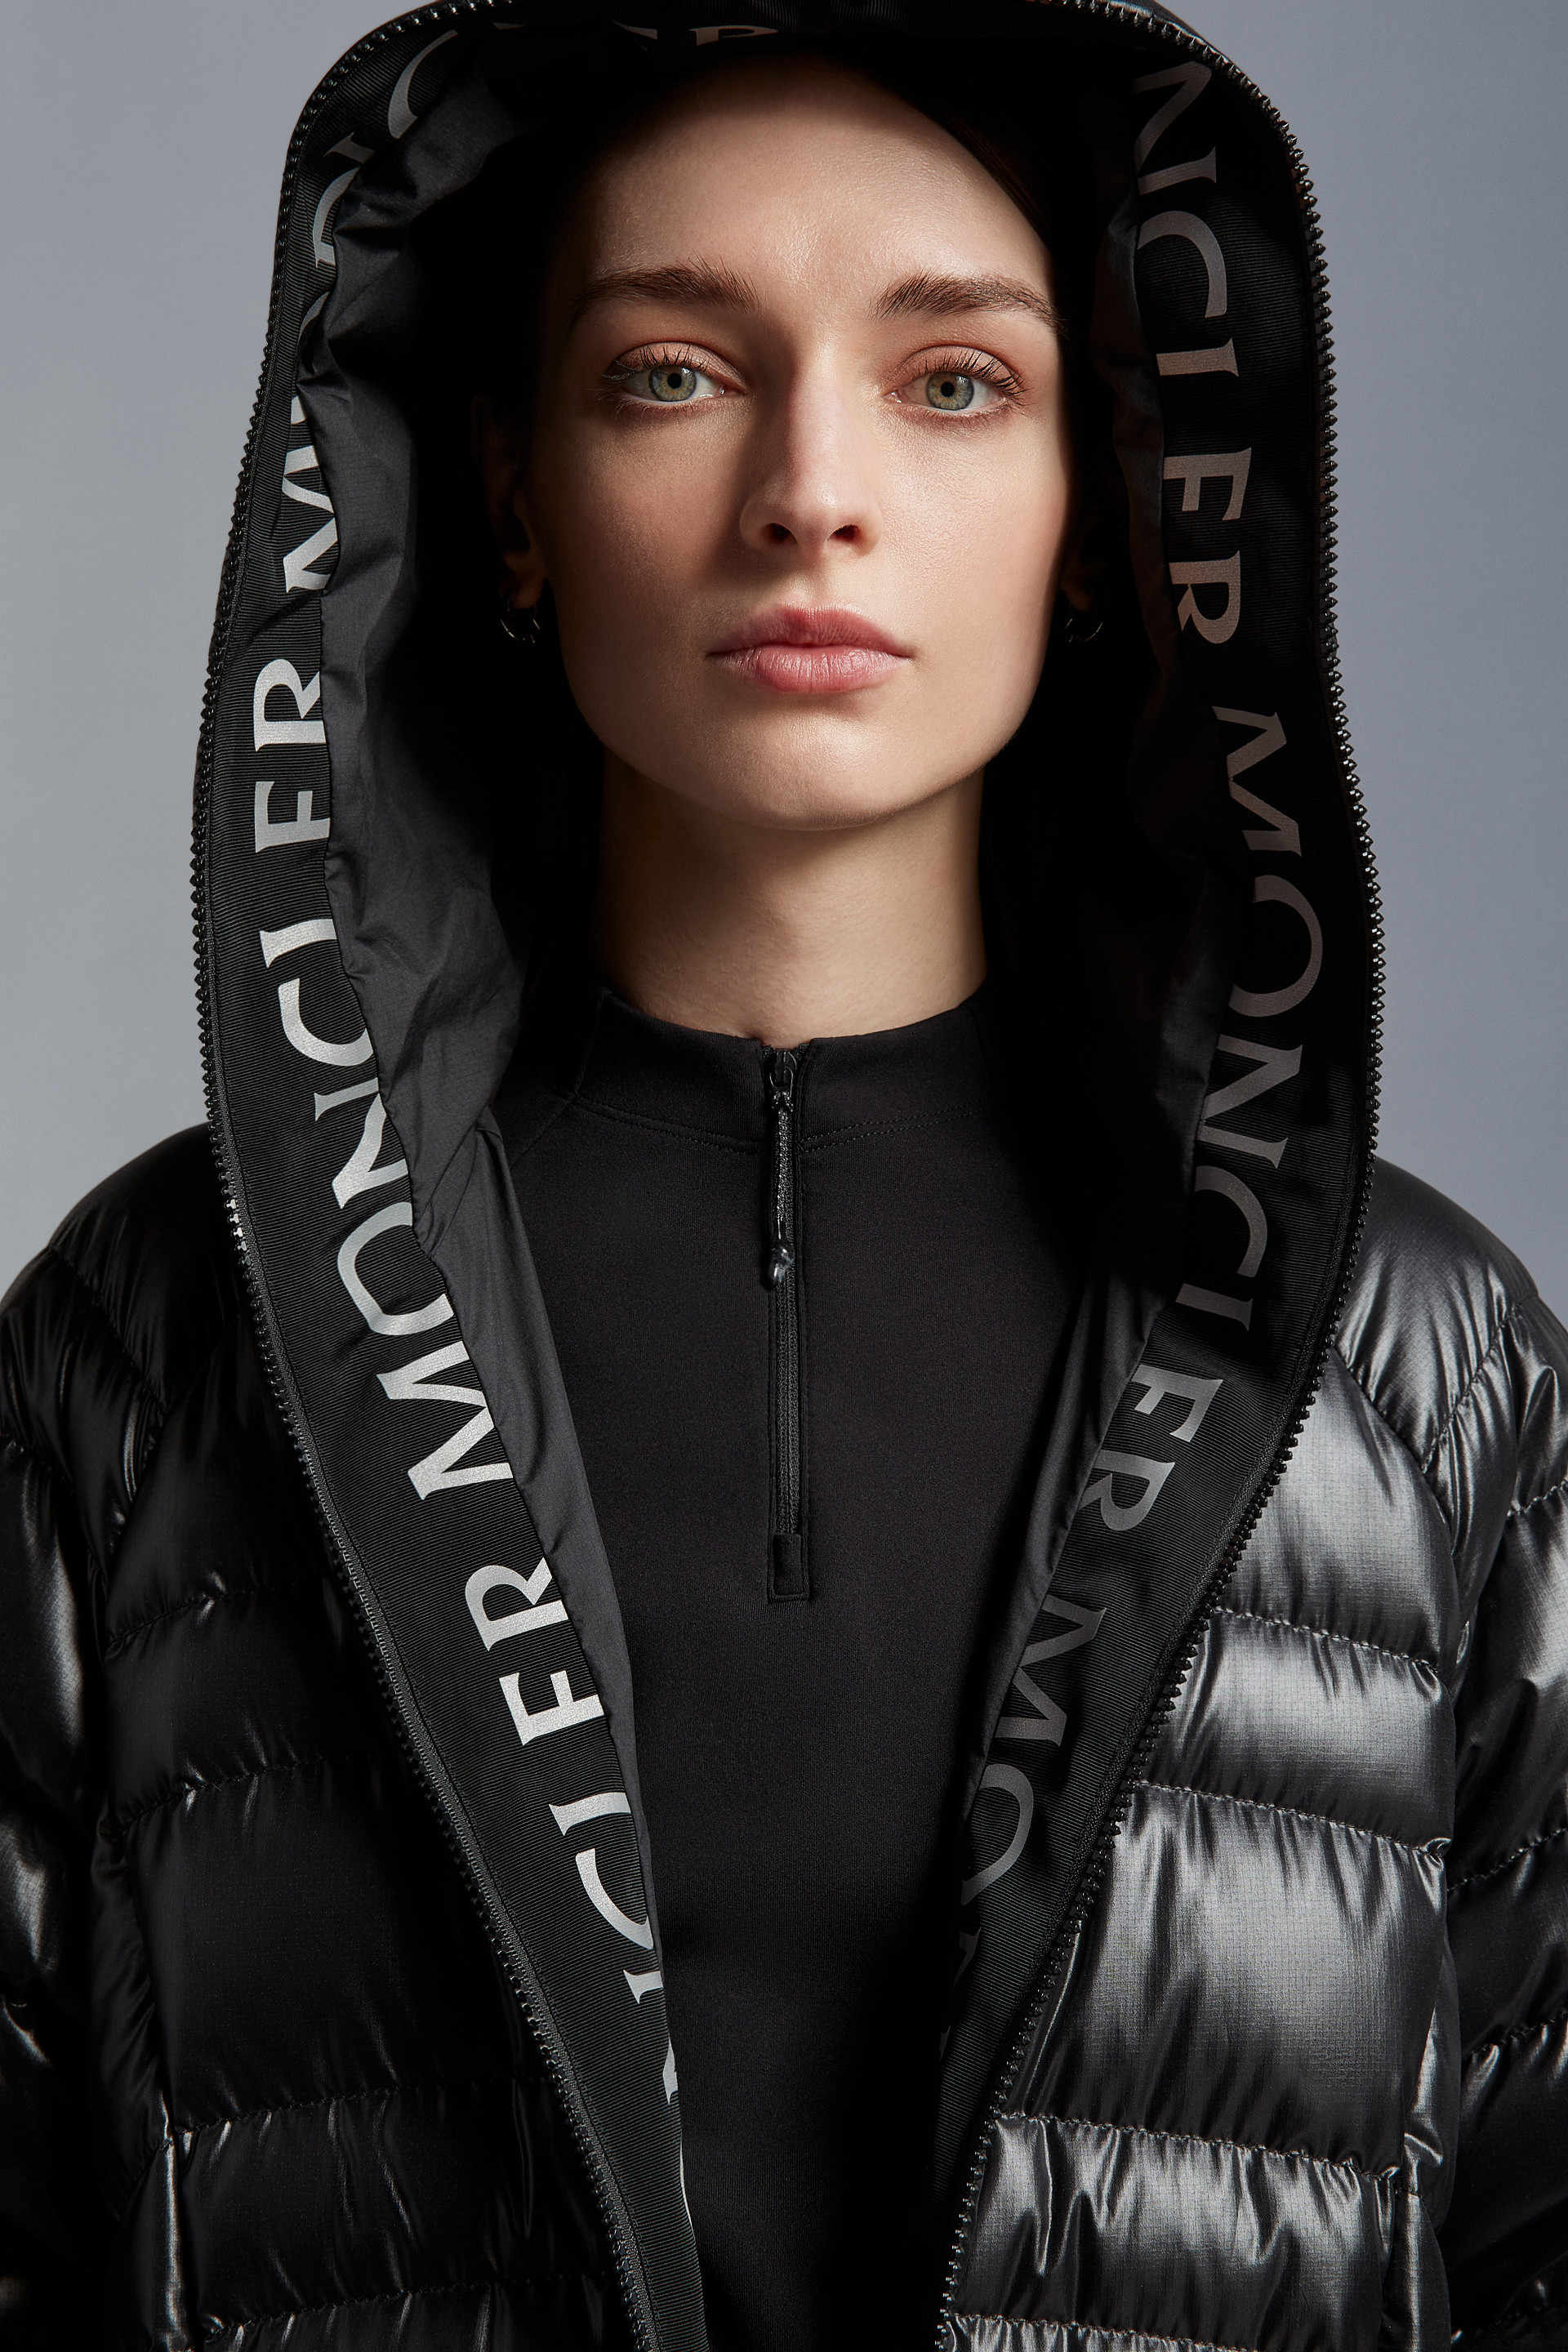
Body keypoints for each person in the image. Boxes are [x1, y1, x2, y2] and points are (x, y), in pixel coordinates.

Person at [2, 4, 1564, 2347]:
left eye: (956, 382)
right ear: (511, 500)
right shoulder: (162, 1335)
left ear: (1103, 504)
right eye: (671, 374)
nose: (812, 488)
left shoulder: (1417, 1369)